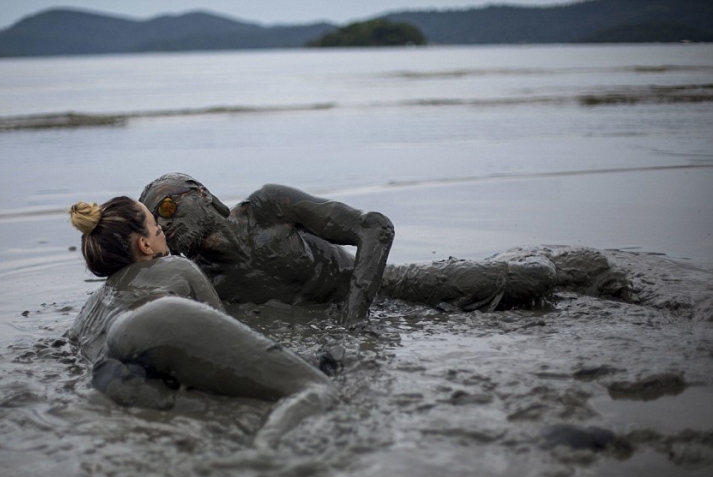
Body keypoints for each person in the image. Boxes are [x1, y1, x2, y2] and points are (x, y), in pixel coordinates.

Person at [139, 173, 630, 321]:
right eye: (155, 221)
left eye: (168, 207)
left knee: (535, 280)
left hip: (387, 286)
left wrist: (356, 314)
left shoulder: (269, 207)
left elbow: (375, 228)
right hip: (349, 310)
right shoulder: (199, 280)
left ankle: (565, 265)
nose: (166, 223)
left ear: (203, 195)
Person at [66, 196, 335, 446]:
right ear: (144, 245)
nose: (163, 230)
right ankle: (266, 450)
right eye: (156, 226)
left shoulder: (91, 307)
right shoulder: (176, 266)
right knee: (315, 386)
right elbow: (226, 336)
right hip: (157, 317)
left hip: (109, 364)